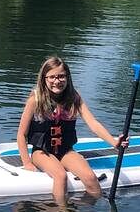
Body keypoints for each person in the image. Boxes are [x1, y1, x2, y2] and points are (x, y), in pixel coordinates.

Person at [17, 55, 127, 203]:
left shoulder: (74, 97)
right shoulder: (35, 100)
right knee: (60, 176)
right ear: (44, 79)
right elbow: (22, 134)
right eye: (52, 77)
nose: (57, 81)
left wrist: (114, 143)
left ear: (67, 77)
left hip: (65, 150)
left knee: (90, 177)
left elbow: (92, 123)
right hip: (41, 152)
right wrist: (27, 163)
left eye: (61, 76)